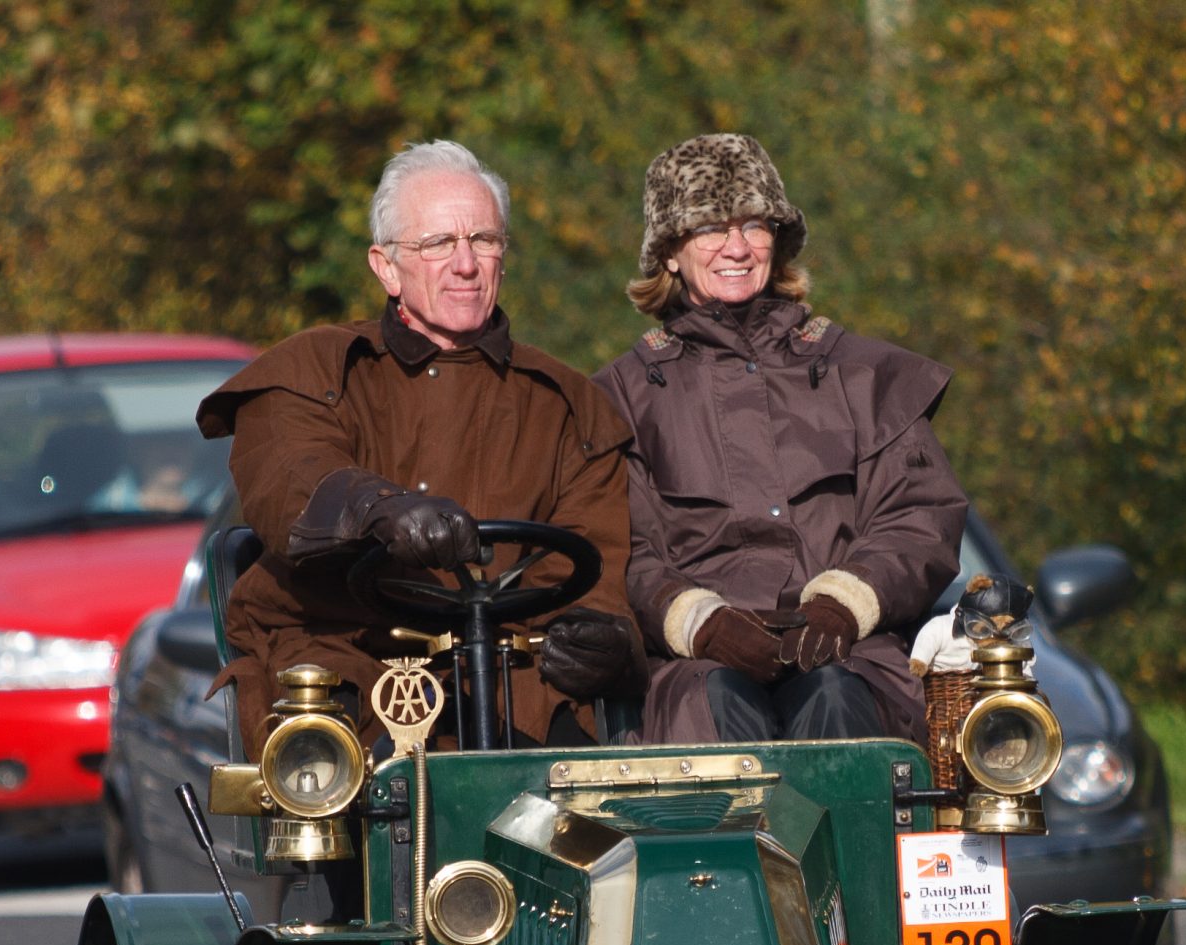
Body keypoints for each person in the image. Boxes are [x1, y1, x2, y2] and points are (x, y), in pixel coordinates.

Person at [195, 140, 642, 756]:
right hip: (342, 655)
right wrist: (379, 509)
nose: (466, 264)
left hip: (513, 673)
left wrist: (597, 634)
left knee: (581, 801)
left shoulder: (567, 403)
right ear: (385, 266)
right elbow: (289, 476)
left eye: (484, 240)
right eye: (437, 244)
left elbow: (593, 557)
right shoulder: (313, 368)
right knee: (328, 770)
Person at [594, 134, 966, 745]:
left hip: (847, 654)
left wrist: (845, 604)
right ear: (668, 253)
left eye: (753, 225)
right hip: (696, 671)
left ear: (780, 240)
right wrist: (699, 621)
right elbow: (623, 549)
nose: (736, 247)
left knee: (836, 695)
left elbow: (919, 516)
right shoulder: (621, 399)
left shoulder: (863, 376)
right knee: (715, 703)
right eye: (711, 227)